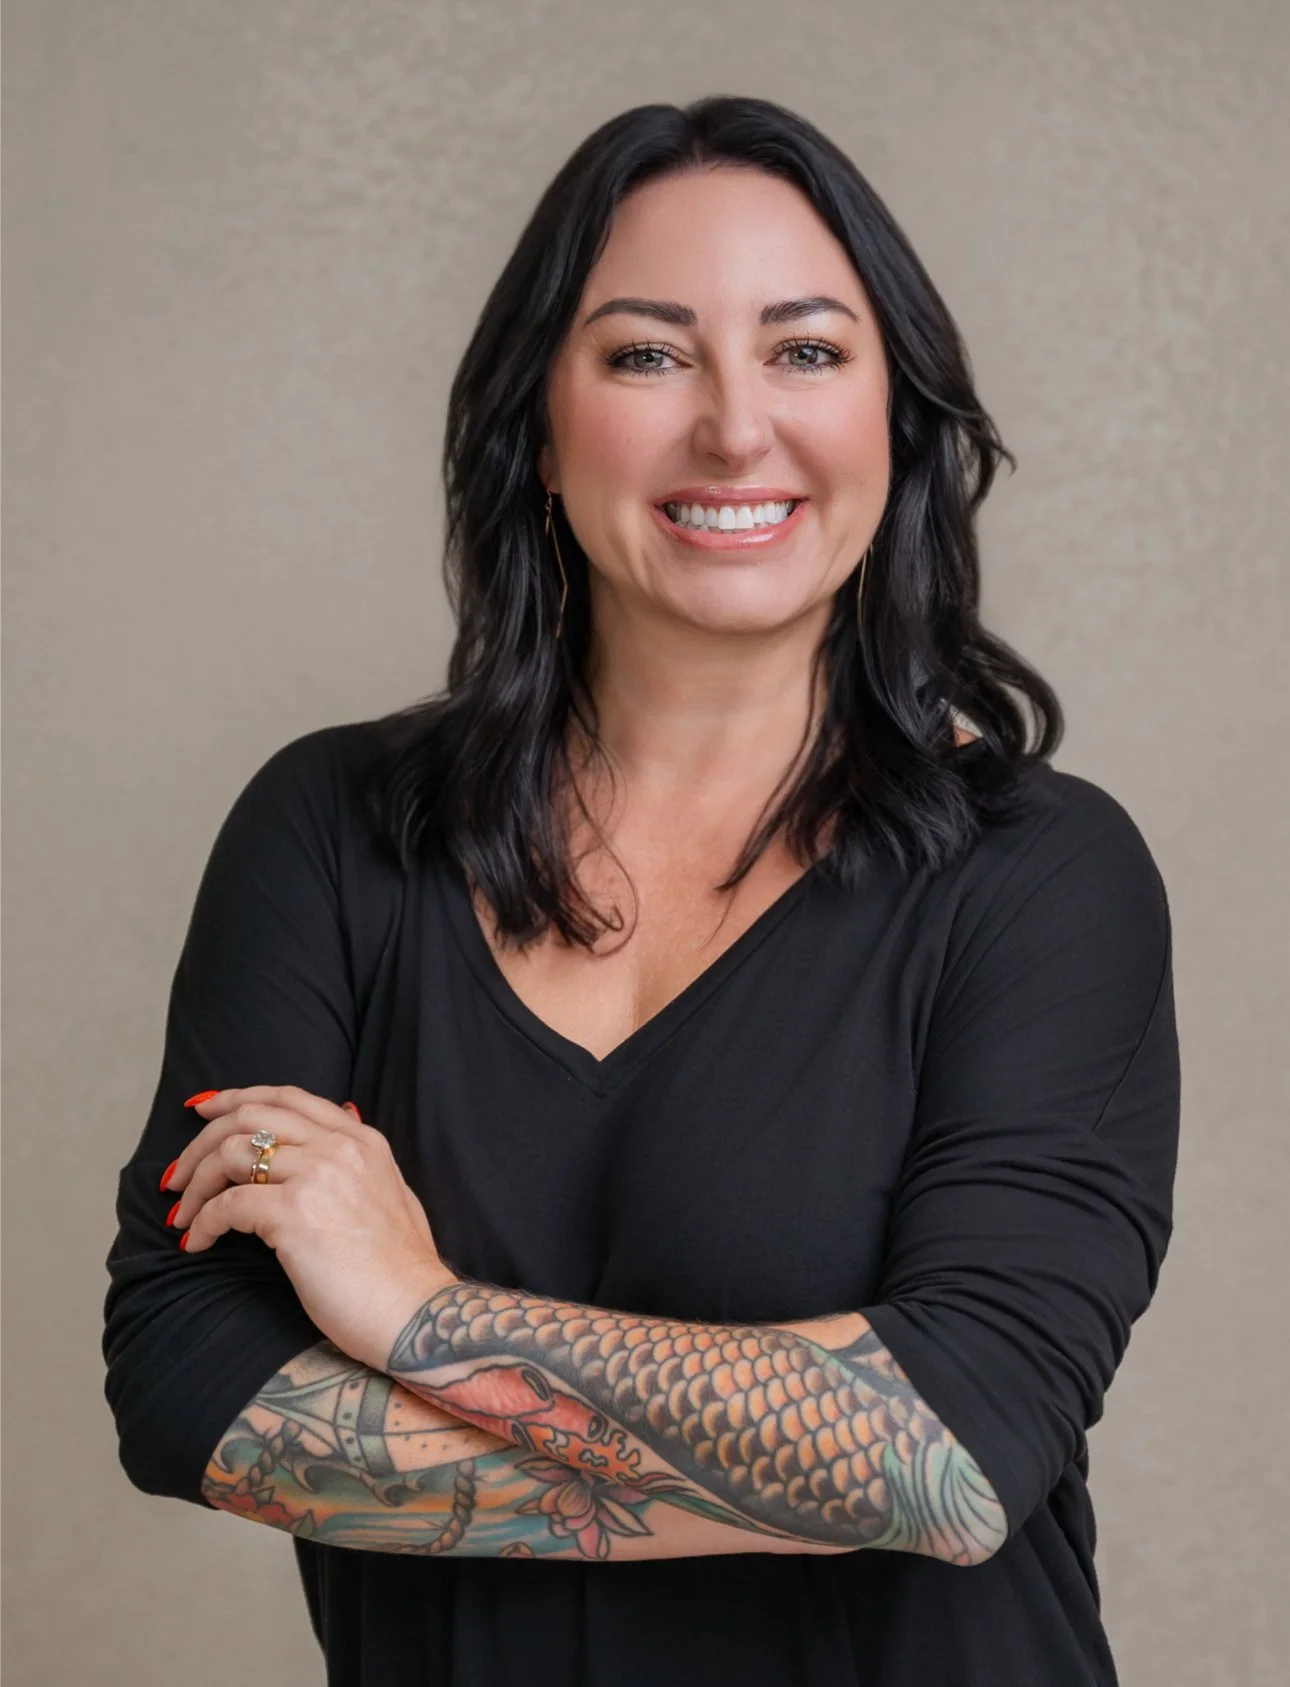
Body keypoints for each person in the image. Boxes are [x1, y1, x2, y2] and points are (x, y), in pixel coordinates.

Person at [102, 95, 1180, 1687]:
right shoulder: (330, 832)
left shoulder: (1042, 877)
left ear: (895, 419)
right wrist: (797, 1456)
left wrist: (415, 1314)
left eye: (804, 351)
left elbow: (948, 1452)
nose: (735, 429)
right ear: (538, 428)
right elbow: (186, 1383)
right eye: (647, 354)